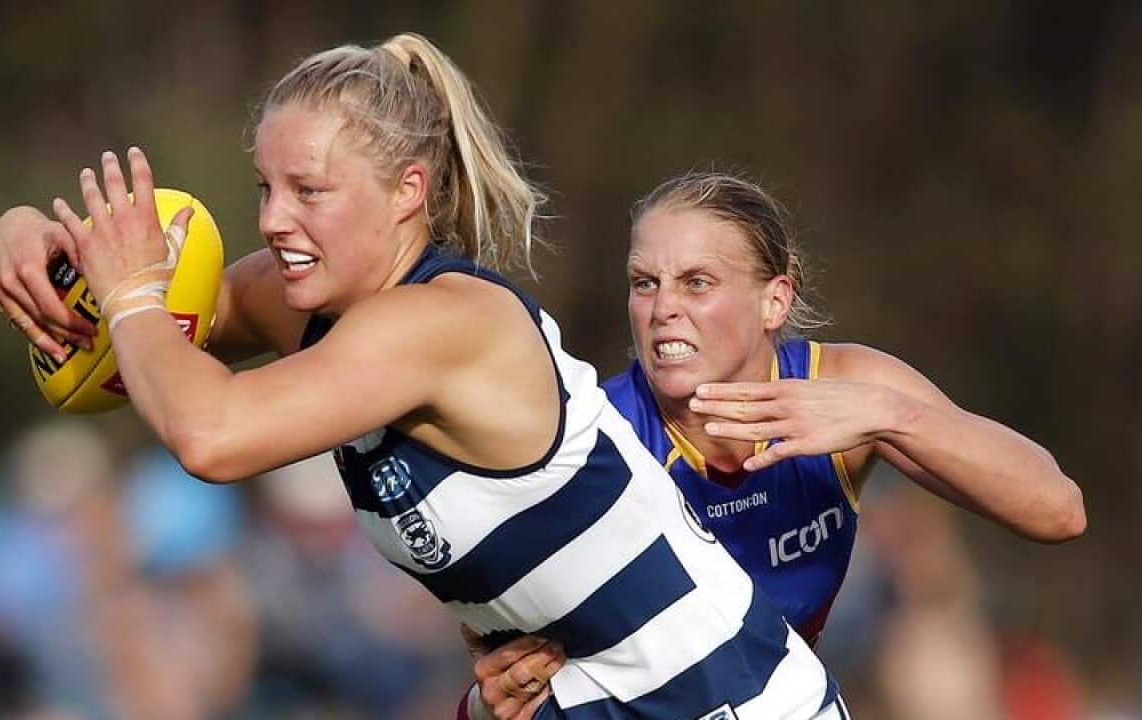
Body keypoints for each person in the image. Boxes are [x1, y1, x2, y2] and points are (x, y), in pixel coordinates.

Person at [0, 33, 849, 719]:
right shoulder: (310, 300)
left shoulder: (442, 324)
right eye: (263, 187)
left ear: (408, 190)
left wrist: (131, 287)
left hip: (731, 704)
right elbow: (149, 350)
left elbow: (207, 430)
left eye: (308, 190)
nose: (272, 219)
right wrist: (28, 236)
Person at [460, 171, 1086, 719]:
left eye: (697, 282)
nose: (663, 309)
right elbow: (493, 670)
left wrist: (894, 416)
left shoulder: (843, 387)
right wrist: (492, 700)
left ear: (774, 300)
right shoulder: (598, 433)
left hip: (787, 703)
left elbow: (1058, 509)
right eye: (645, 282)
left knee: (935, 651)